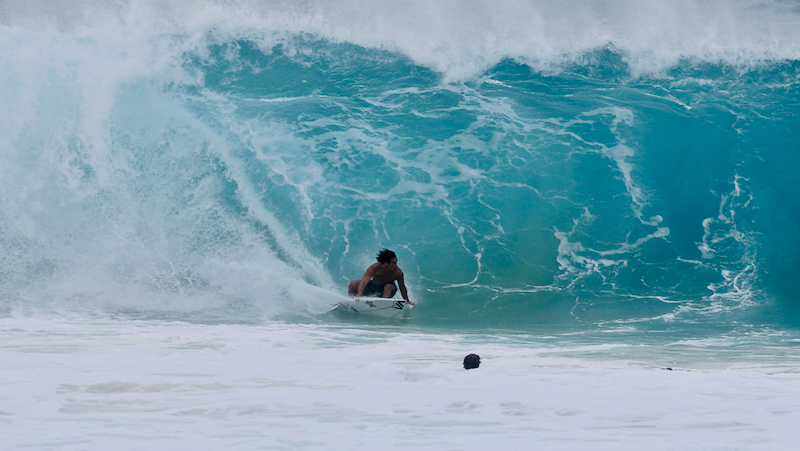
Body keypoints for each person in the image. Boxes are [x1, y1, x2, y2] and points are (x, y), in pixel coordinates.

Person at [348, 249, 415, 306]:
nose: (396, 265)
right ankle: (353, 303)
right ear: (386, 263)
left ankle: (382, 305)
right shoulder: (374, 268)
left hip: (388, 290)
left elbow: (402, 287)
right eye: (393, 263)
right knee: (353, 284)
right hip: (374, 287)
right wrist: (359, 294)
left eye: (396, 262)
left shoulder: (398, 273)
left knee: (388, 286)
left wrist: (407, 301)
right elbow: (363, 282)